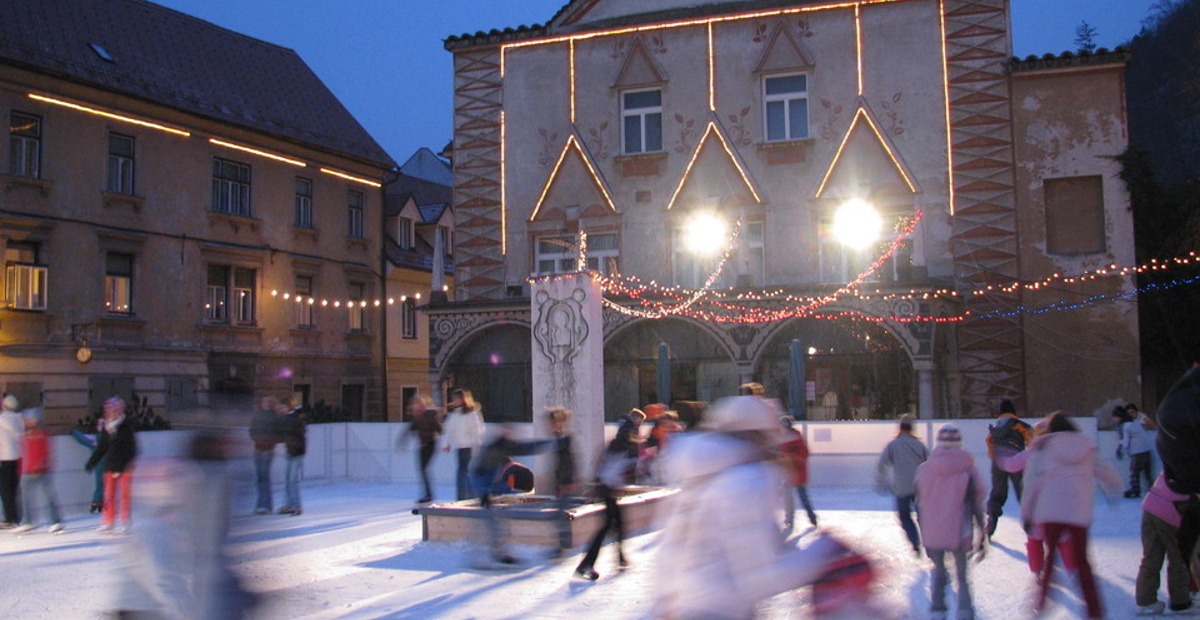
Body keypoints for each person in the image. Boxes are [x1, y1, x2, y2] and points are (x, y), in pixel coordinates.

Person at [654, 395, 872, 618]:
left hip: (689, 605)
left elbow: (670, 549)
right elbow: (756, 577)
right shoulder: (747, 479)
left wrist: (663, 601)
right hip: (720, 610)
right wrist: (822, 552)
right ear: (760, 434)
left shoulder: (699, 474)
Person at [1021, 411, 1123, 619]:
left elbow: (1031, 483)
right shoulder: (1085, 446)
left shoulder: (1043, 447)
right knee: (1083, 562)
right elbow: (1104, 470)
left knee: (1050, 559)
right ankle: (1094, 610)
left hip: (1050, 511)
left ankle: (1041, 604)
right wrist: (1115, 487)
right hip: (1078, 511)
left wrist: (1027, 513)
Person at [915, 424, 987, 620]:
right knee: (962, 576)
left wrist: (923, 529)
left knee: (939, 572)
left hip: (933, 531)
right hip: (960, 530)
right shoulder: (969, 471)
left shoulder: (923, 470)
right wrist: (982, 531)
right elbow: (977, 501)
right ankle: (965, 611)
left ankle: (938, 610)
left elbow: (919, 502)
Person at [470, 423, 551, 565]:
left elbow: (525, 448)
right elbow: (480, 471)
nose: (514, 435)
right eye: (510, 432)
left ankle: (497, 552)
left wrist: (546, 444)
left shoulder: (504, 445)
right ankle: (488, 555)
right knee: (490, 519)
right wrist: (484, 492)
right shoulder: (495, 447)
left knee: (492, 519)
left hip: (486, 484)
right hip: (481, 483)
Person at [575, 414, 643, 580]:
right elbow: (625, 469)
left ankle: (619, 558)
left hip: (606, 487)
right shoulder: (624, 445)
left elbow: (603, 464)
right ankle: (586, 564)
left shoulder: (617, 443)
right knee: (606, 527)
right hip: (607, 489)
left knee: (618, 523)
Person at [1135, 472, 1195, 615]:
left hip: (1152, 504)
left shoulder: (1180, 459)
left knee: (1151, 556)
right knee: (1179, 556)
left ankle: (1146, 601)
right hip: (1174, 508)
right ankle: (1180, 602)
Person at [876, 413, 928, 554]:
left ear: (900, 428)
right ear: (912, 428)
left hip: (901, 488)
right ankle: (930, 543)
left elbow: (882, 464)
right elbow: (930, 464)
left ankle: (914, 542)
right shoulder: (919, 445)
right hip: (920, 488)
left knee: (905, 516)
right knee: (924, 516)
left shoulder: (893, 445)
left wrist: (882, 481)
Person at [86, 396, 139, 533]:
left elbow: (132, 447)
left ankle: (125, 521)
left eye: (113, 410)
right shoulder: (106, 427)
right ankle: (108, 521)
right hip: (110, 464)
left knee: (125, 495)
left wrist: (129, 463)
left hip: (124, 465)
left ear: (119, 410)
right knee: (108, 495)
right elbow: (102, 448)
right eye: (108, 410)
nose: (110, 412)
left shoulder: (126, 426)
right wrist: (92, 462)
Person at [984, 399, 1032, 538]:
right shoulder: (1018, 424)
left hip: (998, 462)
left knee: (998, 492)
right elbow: (1033, 439)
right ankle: (1030, 522)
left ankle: (992, 517)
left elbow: (988, 441)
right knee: (1023, 491)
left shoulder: (995, 428)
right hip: (1016, 459)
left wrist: (994, 459)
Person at [12, 409, 63, 534]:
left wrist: (40, 465)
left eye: (28, 420)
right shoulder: (25, 435)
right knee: (25, 497)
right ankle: (27, 521)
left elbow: (44, 452)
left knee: (48, 496)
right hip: (27, 471)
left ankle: (54, 522)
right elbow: (24, 453)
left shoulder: (41, 435)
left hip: (41, 470)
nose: (25, 422)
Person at [442, 388, 484, 500]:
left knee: (464, 472)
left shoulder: (471, 414)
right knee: (463, 472)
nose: (454, 401)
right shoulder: (454, 415)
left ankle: (466, 496)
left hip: (469, 447)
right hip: (460, 447)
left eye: (457, 399)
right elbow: (449, 430)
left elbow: (476, 431)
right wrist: (446, 443)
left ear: (463, 399)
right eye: (453, 399)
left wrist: (476, 447)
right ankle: (464, 496)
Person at [547, 407, 577, 555]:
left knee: (561, 514)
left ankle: (563, 546)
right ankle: (563, 545)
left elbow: (567, 462)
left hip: (564, 482)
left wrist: (566, 482)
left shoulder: (563, 440)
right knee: (561, 513)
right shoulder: (559, 438)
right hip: (562, 481)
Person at [779, 415, 818, 529]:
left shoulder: (794, 437)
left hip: (797, 473)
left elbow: (804, 453)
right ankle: (791, 519)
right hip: (790, 472)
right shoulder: (785, 437)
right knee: (790, 496)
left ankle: (810, 517)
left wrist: (791, 459)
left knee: (801, 497)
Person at [402, 396, 442, 503]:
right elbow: (409, 429)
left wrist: (427, 441)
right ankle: (427, 494)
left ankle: (428, 494)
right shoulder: (416, 417)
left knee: (424, 469)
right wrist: (402, 442)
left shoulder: (429, 415)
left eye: (418, 404)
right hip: (422, 446)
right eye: (415, 404)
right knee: (422, 470)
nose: (416, 406)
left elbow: (438, 429)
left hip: (430, 444)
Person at [275, 396, 306, 515]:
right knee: (289, 480)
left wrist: (293, 446)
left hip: (296, 453)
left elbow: (297, 435)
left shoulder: (295, 419)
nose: (281, 409)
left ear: (288, 407)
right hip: (291, 451)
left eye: (283, 407)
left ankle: (296, 506)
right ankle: (290, 504)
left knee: (292, 480)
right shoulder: (288, 418)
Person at [1115, 405, 1154, 498]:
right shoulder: (1137, 422)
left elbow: (1125, 441)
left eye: (1132, 412)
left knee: (1134, 471)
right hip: (1147, 449)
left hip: (1137, 451)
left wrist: (1119, 449)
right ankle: (1152, 491)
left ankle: (1135, 489)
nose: (1130, 415)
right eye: (1128, 413)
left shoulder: (1127, 425)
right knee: (1147, 473)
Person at [249, 395, 280, 515]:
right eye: (264, 402)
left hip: (268, 449)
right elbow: (252, 430)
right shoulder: (257, 416)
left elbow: (277, 432)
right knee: (260, 477)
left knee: (264, 477)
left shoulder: (274, 416)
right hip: (258, 448)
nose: (265, 404)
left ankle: (264, 505)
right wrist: (256, 438)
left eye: (267, 402)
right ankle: (264, 504)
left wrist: (270, 443)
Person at [0, 394, 25, 527]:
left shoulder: (1, 419)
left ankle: (9, 518)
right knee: (15, 489)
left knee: (5, 489)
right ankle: (17, 517)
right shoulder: (19, 419)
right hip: (18, 457)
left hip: (5, 457)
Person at [71, 423, 106, 513]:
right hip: (107, 463)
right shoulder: (107, 440)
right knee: (103, 484)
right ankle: (98, 502)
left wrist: (74, 432)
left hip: (97, 464)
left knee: (100, 484)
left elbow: (82, 439)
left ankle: (97, 502)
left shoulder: (94, 441)